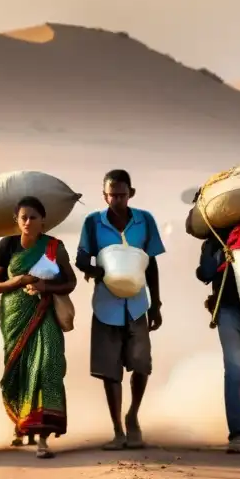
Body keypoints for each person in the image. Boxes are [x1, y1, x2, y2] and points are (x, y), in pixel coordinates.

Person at [75, 170, 165, 450]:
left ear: (131, 194)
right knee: (110, 370)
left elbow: (151, 264)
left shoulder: (144, 220)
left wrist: (156, 304)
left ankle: (133, 416)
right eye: (112, 195)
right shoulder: (92, 222)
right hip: (106, 305)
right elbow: (81, 258)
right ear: (104, 195)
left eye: (122, 195)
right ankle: (117, 430)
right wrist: (96, 271)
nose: (117, 199)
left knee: (141, 364)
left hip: (138, 305)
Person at [0, 196, 76, 459]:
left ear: (43, 221)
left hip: (45, 312)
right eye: (23, 217)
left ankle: (42, 436)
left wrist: (44, 287)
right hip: (14, 316)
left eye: (33, 217)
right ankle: (21, 424)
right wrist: (20, 280)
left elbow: (70, 282)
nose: (28, 222)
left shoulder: (54, 247)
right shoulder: (7, 245)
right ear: (16, 220)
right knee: (19, 370)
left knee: (48, 363)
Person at [195, 224, 240, 455]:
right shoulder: (214, 241)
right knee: (234, 371)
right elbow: (205, 274)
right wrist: (217, 251)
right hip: (227, 311)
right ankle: (237, 433)